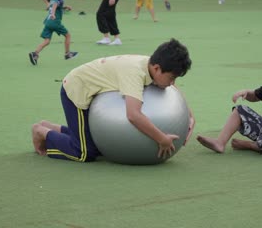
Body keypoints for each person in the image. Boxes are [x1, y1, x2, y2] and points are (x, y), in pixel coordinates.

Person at [31, 39, 194, 162]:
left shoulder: (152, 65)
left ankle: (50, 126)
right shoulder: (135, 73)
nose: (172, 83)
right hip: (77, 91)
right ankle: (43, 133)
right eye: (172, 78)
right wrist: (161, 139)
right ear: (157, 68)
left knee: (96, 145)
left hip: (93, 92)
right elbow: (133, 115)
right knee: (84, 152)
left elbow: (175, 90)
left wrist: (188, 115)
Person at [28, 0, 78, 65]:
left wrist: (65, 7)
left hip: (48, 22)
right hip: (55, 22)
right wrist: (53, 14)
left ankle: (35, 53)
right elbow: (55, 5)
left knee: (47, 40)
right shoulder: (58, 0)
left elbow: (55, 5)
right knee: (68, 35)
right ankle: (67, 54)